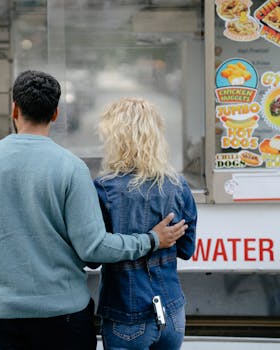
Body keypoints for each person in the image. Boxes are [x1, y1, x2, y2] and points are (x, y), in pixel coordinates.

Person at [0, 70, 188, 350]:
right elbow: (93, 248)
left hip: (1, 317)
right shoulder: (71, 168)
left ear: (14, 108)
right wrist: (151, 240)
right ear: (55, 114)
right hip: (65, 317)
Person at [94, 97, 197, 350]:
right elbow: (186, 249)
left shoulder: (104, 189)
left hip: (125, 316)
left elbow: (93, 255)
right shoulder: (178, 185)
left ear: (116, 139)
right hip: (172, 313)